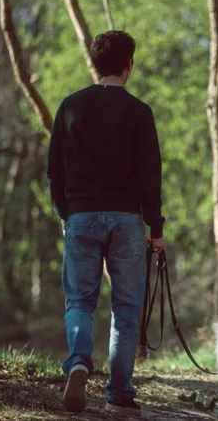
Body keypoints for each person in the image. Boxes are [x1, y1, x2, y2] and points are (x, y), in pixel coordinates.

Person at [46, 30, 165, 415]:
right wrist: (156, 230)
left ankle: (79, 361)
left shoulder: (70, 107)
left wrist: (66, 214)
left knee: (79, 300)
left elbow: (54, 171)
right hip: (127, 221)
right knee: (126, 308)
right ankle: (119, 393)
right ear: (129, 64)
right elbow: (151, 176)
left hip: (81, 216)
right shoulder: (140, 112)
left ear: (95, 64)